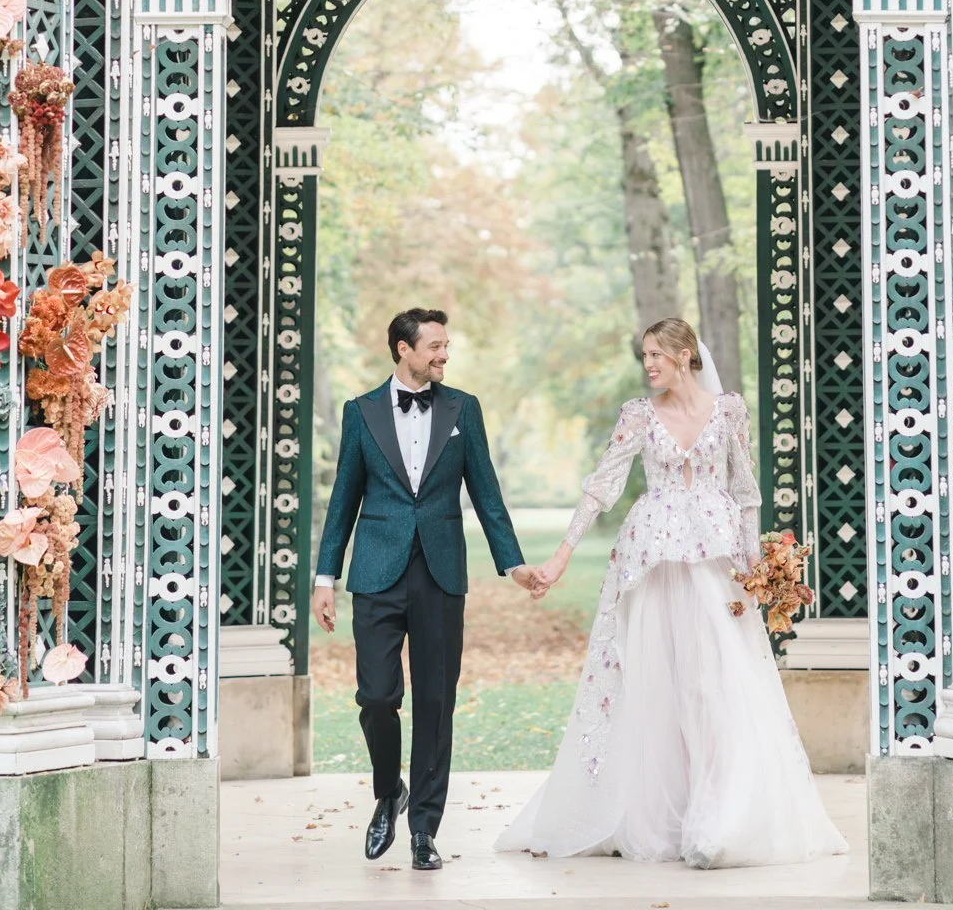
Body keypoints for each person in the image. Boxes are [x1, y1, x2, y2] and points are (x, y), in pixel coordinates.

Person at [496, 318, 848, 870]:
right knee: (658, 687)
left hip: (715, 564)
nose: (649, 365)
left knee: (713, 688)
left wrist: (758, 570)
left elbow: (746, 492)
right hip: (652, 563)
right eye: (645, 357)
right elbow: (601, 486)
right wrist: (561, 555)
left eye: (657, 354)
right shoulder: (638, 415)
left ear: (687, 355)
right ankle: (658, 817)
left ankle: (717, 819)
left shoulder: (728, 410)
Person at [313, 307, 536, 871]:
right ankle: (389, 790)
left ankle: (423, 831)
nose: (443, 354)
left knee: (436, 704)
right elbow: (344, 498)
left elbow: (486, 492)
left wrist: (512, 564)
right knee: (377, 698)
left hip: (440, 574)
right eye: (434, 346)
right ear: (402, 349)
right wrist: (325, 577)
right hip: (376, 573)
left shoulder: (465, 409)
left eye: (445, 345)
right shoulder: (360, 412)